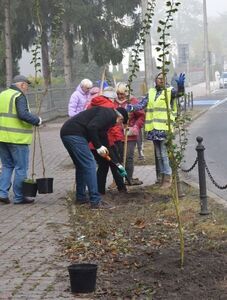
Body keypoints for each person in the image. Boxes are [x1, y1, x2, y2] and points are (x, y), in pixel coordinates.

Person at [60, 106, 128, 209]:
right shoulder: (109, 114)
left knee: (81, 166)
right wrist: (98, 146)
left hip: (68, 133)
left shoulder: (104, 122)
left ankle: (81, 197)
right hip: (75, 134)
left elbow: (106, 146)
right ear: (120, 118)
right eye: (120, 123)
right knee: (90, 164)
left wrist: (117, 164)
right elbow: (92, 127)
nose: (117, 125)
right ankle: (95, 201)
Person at [127, 72, 185, 189]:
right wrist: (132, 107)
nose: (161, 80)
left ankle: (168, 177)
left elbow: (180, 94)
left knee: (163, 153)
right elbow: (142, 104)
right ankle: (163, 177)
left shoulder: (170, 90)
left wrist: (181, 86)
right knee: (158, 155)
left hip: (164, 127)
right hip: (153, 128)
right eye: (159, 78)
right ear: (155, 79)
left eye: (163, 78)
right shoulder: (151, 92)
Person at [0, 75, 42, 204]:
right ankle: (19, 197)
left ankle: (2, 194)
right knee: (21, 168)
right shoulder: (19, 96)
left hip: (2, 137)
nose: (27, 88)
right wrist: (37, 120)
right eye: (27, 85)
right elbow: (23, 114)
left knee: (7, 166)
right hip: (17, 139)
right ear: (22, 85)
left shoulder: (3, 94)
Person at [87, 86, 127, 195]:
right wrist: (118, 140)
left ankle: (99, 191)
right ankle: (122, 189)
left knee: (102, 166)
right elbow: (113, 126)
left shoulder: (91, 105)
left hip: (92, 142)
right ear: (111, 98)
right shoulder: (110, 107)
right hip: (107, 141)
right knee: (115, 164)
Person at [115, 82, 145, 185]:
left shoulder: (133, 101)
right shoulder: (114, 102)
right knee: (118, 157)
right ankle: (118, 180)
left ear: (127, 93)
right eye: (118, 94)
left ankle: (129, 178)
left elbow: (141, 116)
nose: (120, 96)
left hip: (130, 134)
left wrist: (136, 126)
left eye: (122, 94)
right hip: (117, 135)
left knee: (128, 157)